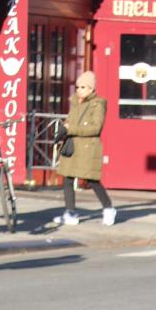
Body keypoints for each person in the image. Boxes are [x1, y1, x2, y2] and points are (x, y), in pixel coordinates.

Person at [52, 72, 116, 226]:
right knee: (67, 179)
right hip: (72, 146)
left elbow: (95, 128)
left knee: (91, 180)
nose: (79, 90)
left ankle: (108, 208)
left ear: (91, 89)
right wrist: (63, 130)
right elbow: (70, 121)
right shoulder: (75, 102)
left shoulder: (98, 104)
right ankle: (70, 213)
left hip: (88, 148)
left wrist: (71, 129)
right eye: (78, 87)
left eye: (83, 87)